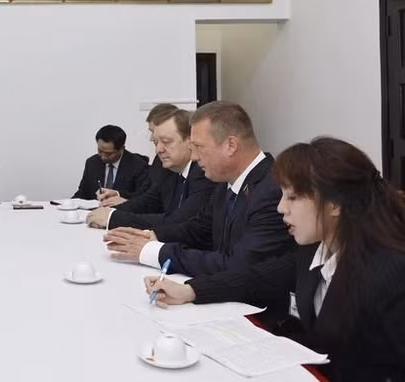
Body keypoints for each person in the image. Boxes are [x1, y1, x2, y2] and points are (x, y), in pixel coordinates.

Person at [144, 137, 405, 381]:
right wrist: (191, 290)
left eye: (293, 197)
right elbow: (258, 276)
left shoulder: (389, 273)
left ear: (335, 204)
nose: (281, 207)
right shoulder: (314, 249)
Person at [104, 101, 293, 276]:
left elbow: (238, 265)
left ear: (231, 145)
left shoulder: (272, 190)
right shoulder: (225, 183)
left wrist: (155, 252)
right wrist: (150, 236)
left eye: (199, 147)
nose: (193, 157)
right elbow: (199, 229)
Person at [86, 109, 216, 230]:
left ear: (190, 141)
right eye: (156, 143)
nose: (158, 150)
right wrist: (111, 211)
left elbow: (180, 220)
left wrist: (112, 218)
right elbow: (149, 201)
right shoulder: (169, 169)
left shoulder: (203, 173)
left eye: (166, 141)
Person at [97, 103, 178, 208]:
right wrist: (118, 195)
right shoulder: (159, 160)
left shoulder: (188, 167)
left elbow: (160, 206)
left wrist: (118, 212)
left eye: (153, 131)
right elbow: (146, 194)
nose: (151, 137)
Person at [72, 125, 151, 201]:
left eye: (108, 153)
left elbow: (141, 198)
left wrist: (118, 195)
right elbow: (83, 193)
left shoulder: (138, 165)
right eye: (100, 151)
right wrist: (67, 205)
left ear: (122, 149)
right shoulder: (92, 162)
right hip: (94, 212)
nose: (102, 156)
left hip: (123, 212)